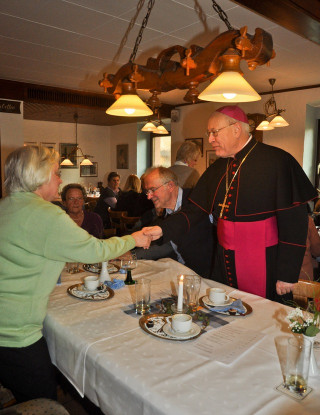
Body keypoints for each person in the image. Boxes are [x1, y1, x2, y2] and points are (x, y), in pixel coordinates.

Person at [0, 146, 150, 404]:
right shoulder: (46, 214)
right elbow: (95, 250)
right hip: (15, 334)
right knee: (42, 403)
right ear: (40, 175)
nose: (59, 180)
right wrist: (134, 238)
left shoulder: (6, 205)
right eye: (56, 173)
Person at [143, 105, 318, 301]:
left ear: (236, 129)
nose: (210, 139)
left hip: (264, 262)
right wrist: (161, 230)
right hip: (224, 262)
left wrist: (287, 274)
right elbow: (194, 211)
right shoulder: (218, 168)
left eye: (214, 132)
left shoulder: (277, 161)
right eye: (209, 133)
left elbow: (294, 222)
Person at [133, 167, 213, 278]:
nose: (149, 196)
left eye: (153, 190)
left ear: (170, 186)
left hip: (208, 278)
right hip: (182, 274)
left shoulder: (195, 201)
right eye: (147, 191)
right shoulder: (165, 214)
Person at [300, 216, 320, 280]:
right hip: (303, 275)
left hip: (275, 277)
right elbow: (317, 251)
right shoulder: (307, 220)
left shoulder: (271, 218)